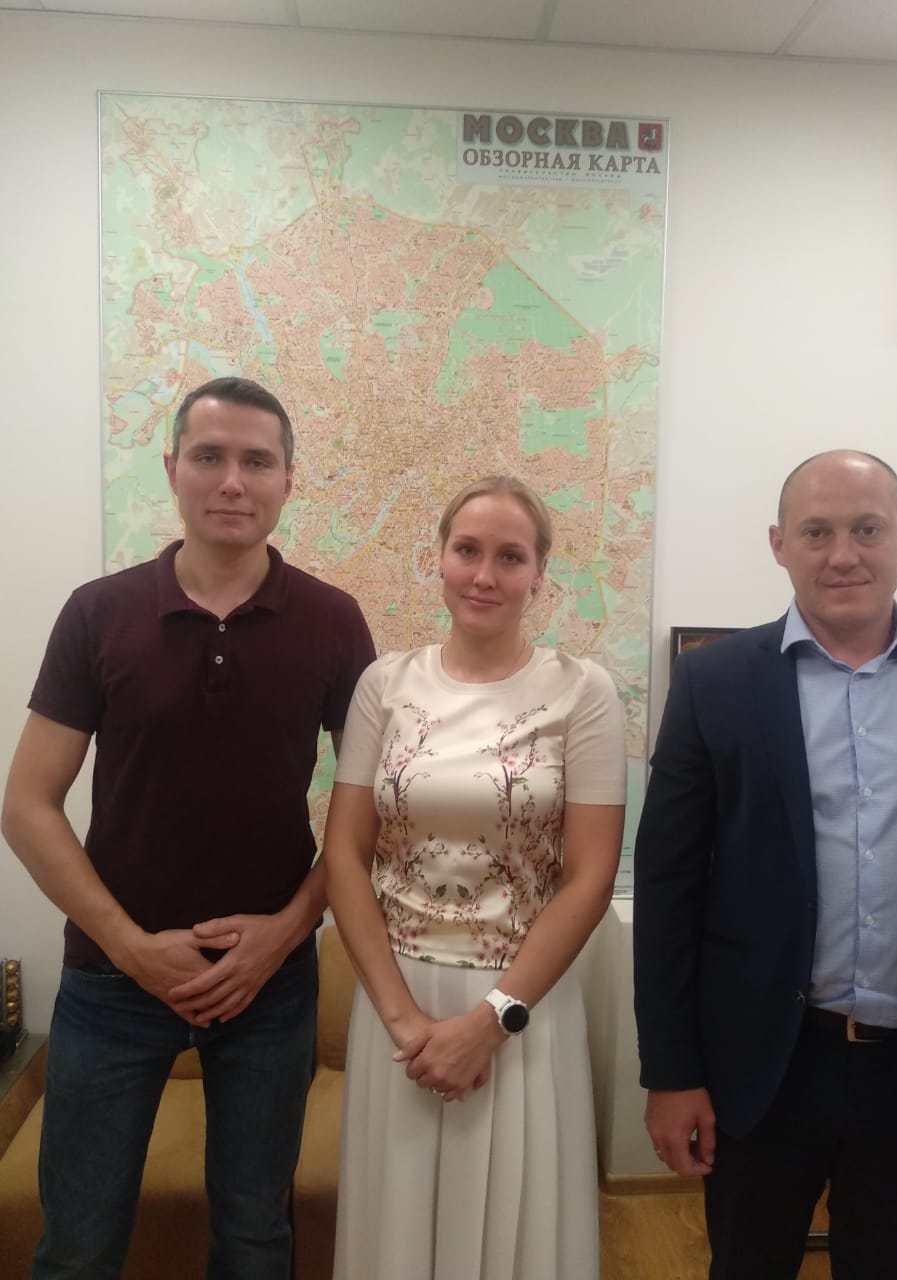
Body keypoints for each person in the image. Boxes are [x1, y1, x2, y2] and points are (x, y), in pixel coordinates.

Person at [1, 376, 375, 1280]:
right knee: (77, 1245)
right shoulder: (98, 613)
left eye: (257, 461)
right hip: (110, 983)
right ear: (172, 469)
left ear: (289, 481)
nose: (233, 481)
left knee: (254, 1238)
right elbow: (27, 805)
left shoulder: (334, 622)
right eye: (209, 457)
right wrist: (132, 948)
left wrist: (284, 933)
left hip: (269, 987)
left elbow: (368, 813)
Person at [633, 449, 897, 1280]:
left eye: (866, 530)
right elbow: (669, 890)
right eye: (817, 532)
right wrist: (670, 1073)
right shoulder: (713, 683)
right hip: (765, 1069)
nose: (843, 554)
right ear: (779, 544)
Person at [323, 474, 626, 1280]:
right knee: (398, 1222)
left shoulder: (582, 692)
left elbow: (591, 878)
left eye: (510, 556)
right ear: (439, 558)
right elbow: (344, 854)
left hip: (522, 1002)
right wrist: (402, 1022)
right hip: (397, 1000)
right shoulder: (385, 685)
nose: (485, 575)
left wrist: (491, 1022)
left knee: (514, 1229)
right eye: (467, 550)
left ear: (539, 574)